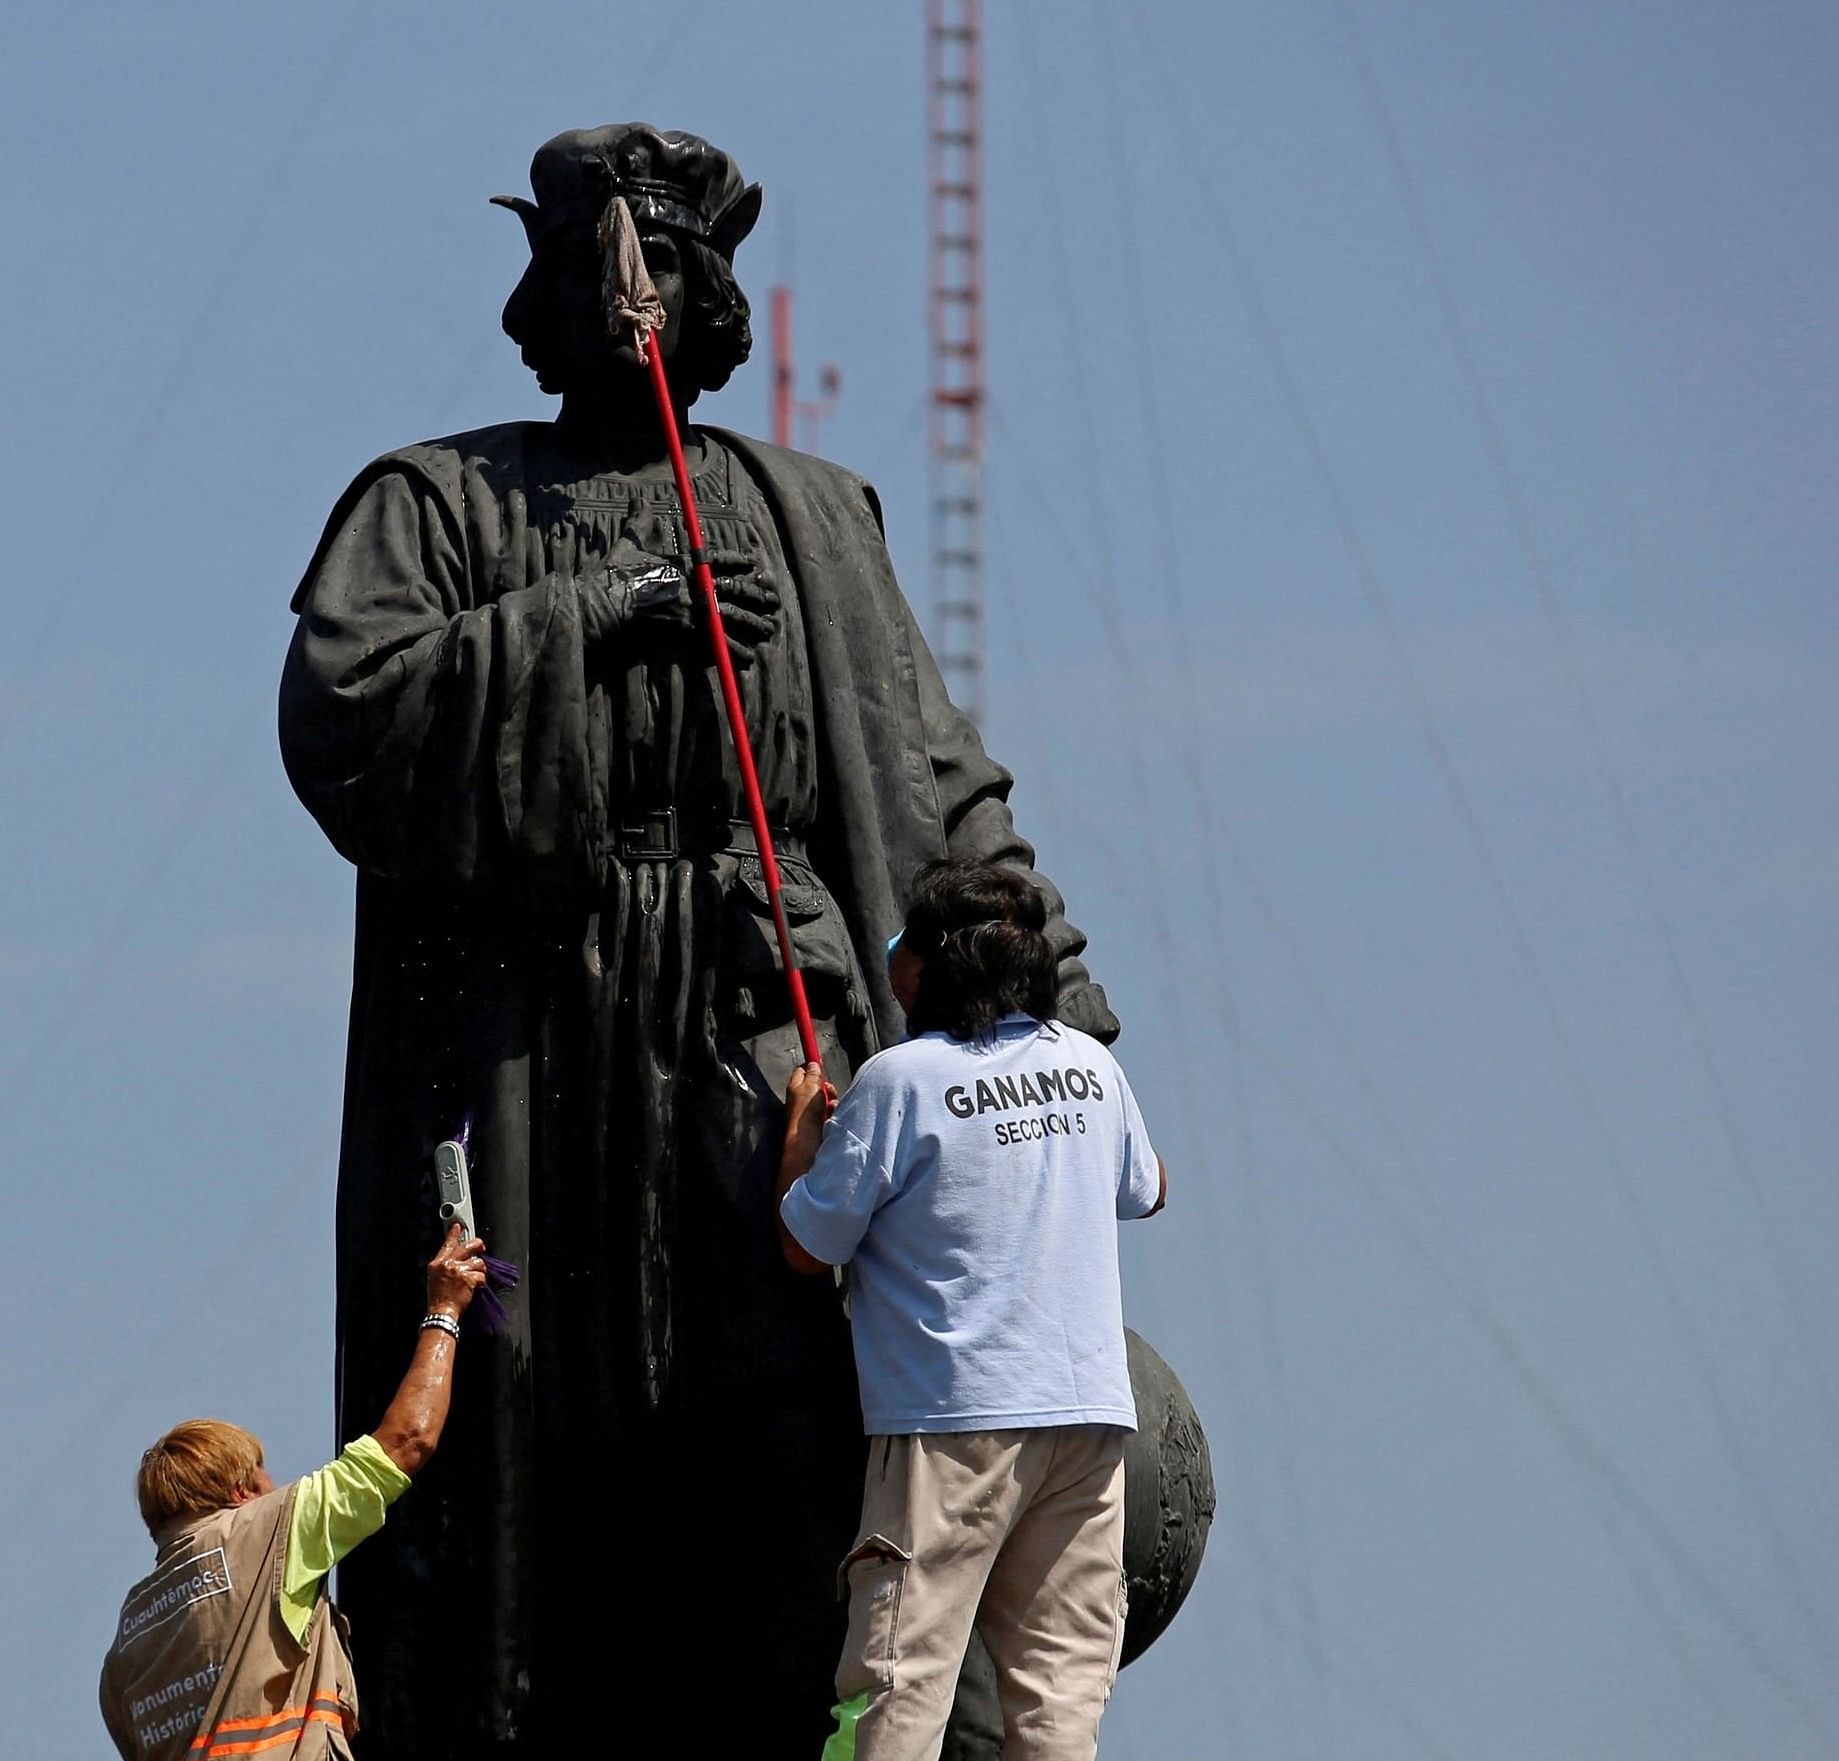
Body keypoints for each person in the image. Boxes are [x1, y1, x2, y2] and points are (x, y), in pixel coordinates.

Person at [278, 121, 1118, 1757]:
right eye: (595, 257)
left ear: (709, 290)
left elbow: (933, 779)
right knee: (542, 1438)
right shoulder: (435, 504)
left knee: (797, 1428)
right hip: (541, 1050)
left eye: (658, 256)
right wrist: (597, 619)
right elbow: (350, 716)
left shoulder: (811, 515)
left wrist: (1055, 1012)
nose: (628, 290)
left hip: (763, 1037)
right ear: (540, 296)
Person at [775, 860, 1170, 1761]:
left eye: (906, 944)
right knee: (1062, 1690)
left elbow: (807, 1244)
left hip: (952, 1424)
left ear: (929, 968)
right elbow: (1149, 1188)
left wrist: (802, 1138)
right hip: (1087, 1420)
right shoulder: (1090, 1068)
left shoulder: (899, 1080)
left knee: (894, 1683)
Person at [97, 1225, 488, 1761]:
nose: (276, 1488)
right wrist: (445, 1309)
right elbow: (407, 1441)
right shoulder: (268, 1534)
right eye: (266, 1478)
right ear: (241, 1491)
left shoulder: (128, 1640)